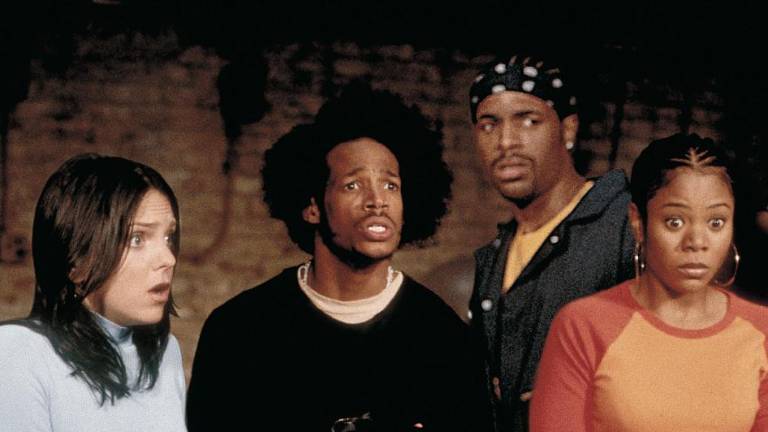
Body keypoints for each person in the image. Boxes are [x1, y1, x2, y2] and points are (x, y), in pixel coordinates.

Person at [186, 83, 489, 432]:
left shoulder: (443, 339)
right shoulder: (240, 331)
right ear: (312, 207)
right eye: (352, 185)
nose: (377, 201)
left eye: (391, 185)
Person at [530, 133, 768, 431]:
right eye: (674, 222)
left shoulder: (762, 332)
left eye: (716, 222)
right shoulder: (583, 326)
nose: (697, 242)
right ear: (638, 222)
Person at [467, 54, 635, 430]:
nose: (506, 142)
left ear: (568, 129)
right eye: (488, 125)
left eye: (528, 120)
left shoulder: (628, 225)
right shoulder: (493, 260)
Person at [0, 154, 186, 431]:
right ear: (76, 263)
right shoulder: (19, 351)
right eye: (137, 239)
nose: (168, 259)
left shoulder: (165, 352)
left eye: (168, 237)